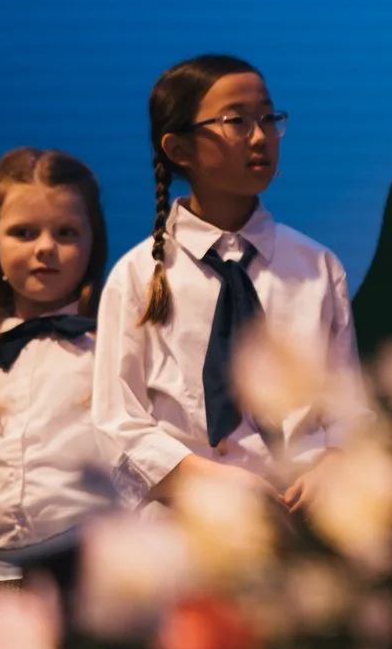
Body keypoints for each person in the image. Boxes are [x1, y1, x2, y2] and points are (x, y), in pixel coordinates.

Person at [92, 55, 363, 510]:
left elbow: (347, 405)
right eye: (236, 120)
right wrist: (212, 480)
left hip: (304, 521)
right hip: (191, 525)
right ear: (178, 149)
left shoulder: (317, 266)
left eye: (268, 118)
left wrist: (331, 465)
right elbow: (117, 425)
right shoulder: (140, 276)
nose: (260, 136)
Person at [0, 149, 124, 581]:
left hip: (94, 581)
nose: (45, 248)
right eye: (23, 232)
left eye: (66, 232)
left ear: (93, 245)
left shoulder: (115, 351)